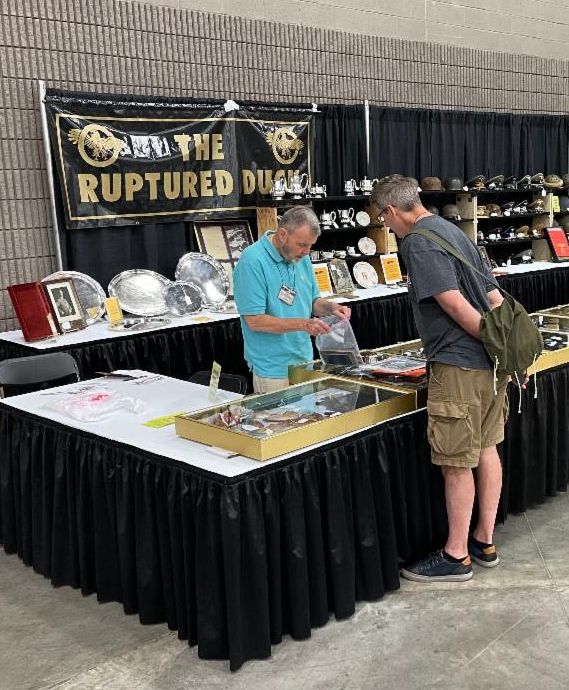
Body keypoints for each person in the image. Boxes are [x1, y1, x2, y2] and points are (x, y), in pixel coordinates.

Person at [370, 175, 507, 583]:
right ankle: (484, 540)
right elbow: (494, 295)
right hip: (489, 366)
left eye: (382, 219)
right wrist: (501, 346)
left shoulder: (417, 242)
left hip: (459, 364)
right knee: (486, 448)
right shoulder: (452, 230)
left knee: (455, 461)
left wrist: (487, 338)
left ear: (391, 211)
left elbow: (453, 303)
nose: (385, 226)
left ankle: (456, 554)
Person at [233, 206, 351, 394]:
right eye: (302, 244)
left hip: (304, 363)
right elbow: (255, 321)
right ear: (282, 234)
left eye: (310, 245)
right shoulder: (252, 261)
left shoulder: (301, 257)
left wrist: (331, 307)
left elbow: (313, 301)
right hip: (273, 370)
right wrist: (304, 324)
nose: (306, 251)